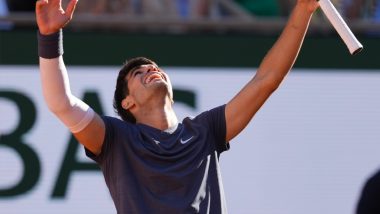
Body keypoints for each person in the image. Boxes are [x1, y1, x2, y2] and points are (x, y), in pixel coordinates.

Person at [35, 0, 319, 213]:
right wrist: (49, 38)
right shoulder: (116, 139)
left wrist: (304, 10)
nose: (151, 70)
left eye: (155, 67)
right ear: (128, 102)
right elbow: (61, 103)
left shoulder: (206, 131)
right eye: (139, 73)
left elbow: (267, 80)